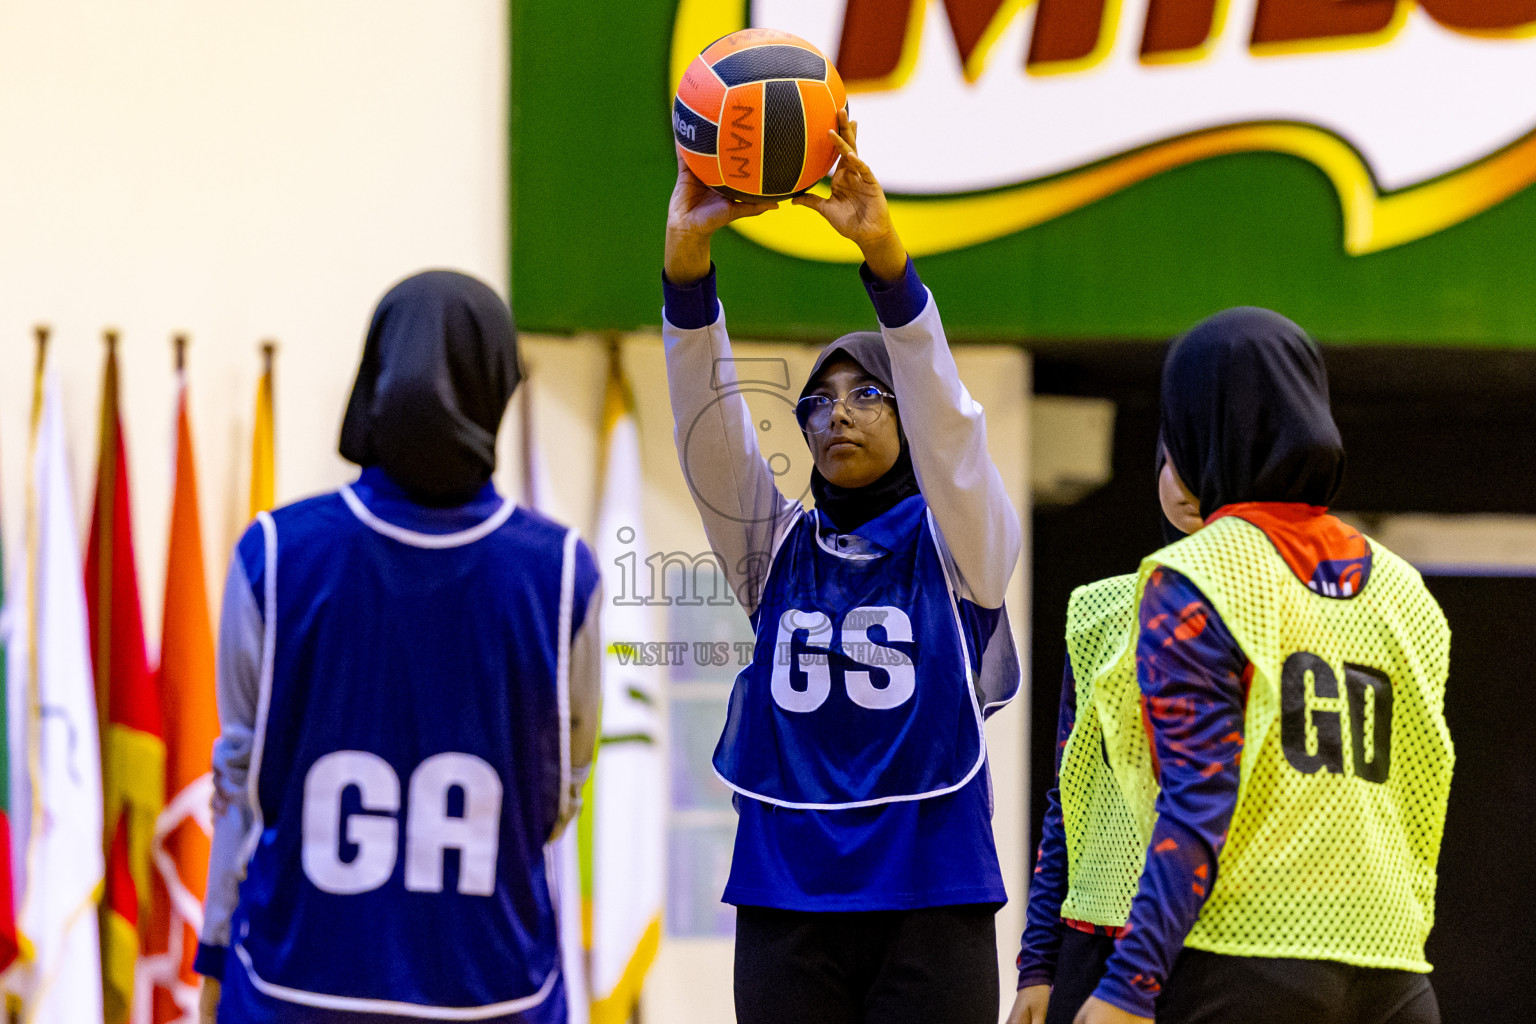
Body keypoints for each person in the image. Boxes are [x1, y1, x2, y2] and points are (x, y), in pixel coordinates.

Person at [662, 110, 1022, 1024]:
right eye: (817, 402)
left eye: (868, 393)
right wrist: (687, 273)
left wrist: (890, 268)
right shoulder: (773, 546)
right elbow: (709, 435)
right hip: (788, 895)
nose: (839, 414)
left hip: (930, 892)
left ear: (906, 420)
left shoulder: (963, 547)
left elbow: (955, 429)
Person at [193, 270, 602, 1024]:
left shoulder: (276, 551)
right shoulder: (563, 568)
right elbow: (558, 795)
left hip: (294, 989)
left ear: (375, 373)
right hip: (493, 993)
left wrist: (215, 957)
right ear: (498, 385)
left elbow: (240, 784)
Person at [1075, 308, 1454, 1024]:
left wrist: (1128, 985)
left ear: (1195, 424)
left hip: (1245, 962)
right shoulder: (1409, 590)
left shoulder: (1193, 576)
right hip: (1396, 972)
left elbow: (1197, 798)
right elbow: (1422, 793)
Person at [1009, 460, 1186, 1024]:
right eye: (1173, 458)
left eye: (1209, 456)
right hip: (1095, 942)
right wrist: (1038, 965)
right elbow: (1070, 796)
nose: (1188, 482)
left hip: (1221, 946)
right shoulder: (1099, 610)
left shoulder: (1277, 608)